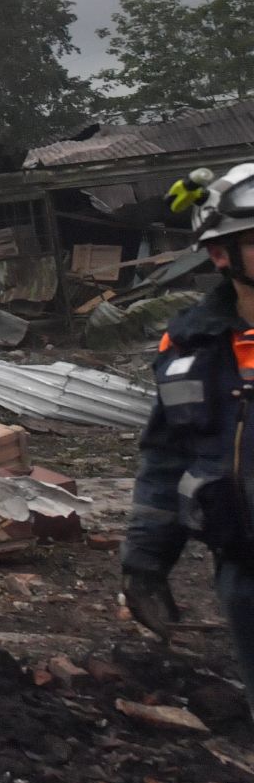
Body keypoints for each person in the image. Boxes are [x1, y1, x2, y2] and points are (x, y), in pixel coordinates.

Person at [124, 163, 254, 719]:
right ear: (222, 255)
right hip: (245, 570)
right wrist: (145, 560)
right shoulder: (191, 345)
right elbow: (169, 455)